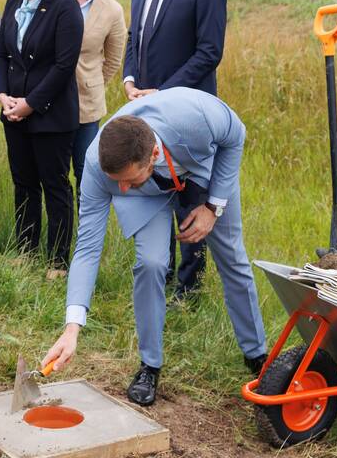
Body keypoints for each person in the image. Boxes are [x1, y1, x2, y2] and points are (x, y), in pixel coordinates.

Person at [41, 88, 267, 406]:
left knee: (231, 255)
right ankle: (150, 365)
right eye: (115, 180)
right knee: (151, 263)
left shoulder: (196, 117)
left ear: (152, 157)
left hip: (202, 169)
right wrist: (72, 328)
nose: (119, 189)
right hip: (147, 195)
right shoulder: (97, 165)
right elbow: (88, 247)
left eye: (127, 180)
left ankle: (257, 356)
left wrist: (213, 207)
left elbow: (236, 135)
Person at [123, 0, 228, 303]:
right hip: (146, 107)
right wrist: (131, 79)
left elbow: (209, 51)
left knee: (190, 195)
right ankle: (160, 274)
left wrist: (164, 92)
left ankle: (190, 286)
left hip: (186, 110)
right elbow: (136, 36)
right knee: (153, 188)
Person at [0, 0, 83, 272]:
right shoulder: (15, 1)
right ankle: (26, 251)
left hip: (50, 116)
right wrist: (3, 96)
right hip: (13, 112)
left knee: (54, 186)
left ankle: (58, 260)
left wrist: (30, 103)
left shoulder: (65, 7)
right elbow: (1, 53)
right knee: (24, 182)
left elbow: (63, 67)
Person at [59, 0, 126, 193]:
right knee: (56, 173)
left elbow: (113, 61)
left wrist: (91, 82)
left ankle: (84, 231)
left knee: (86, 174)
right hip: (50, 103)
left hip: (87, 106)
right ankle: (61, 229)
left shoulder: (113, 10)